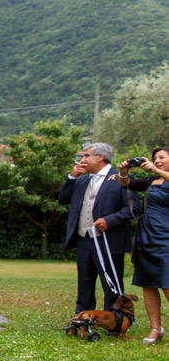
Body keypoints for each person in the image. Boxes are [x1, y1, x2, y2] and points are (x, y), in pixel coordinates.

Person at [59, 142, 139, 315]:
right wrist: (71, 177)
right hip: (83, 238)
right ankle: (84, 315)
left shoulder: (121, 178)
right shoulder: (81, 180)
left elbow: (133, 209)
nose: (83, 159)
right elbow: (63, 198)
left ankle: (114, 317)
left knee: (111, 280)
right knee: (85, 280)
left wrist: (109, 220)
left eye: (87, 155)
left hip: (110, 240)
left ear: (100, 157)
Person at [119, 148, 169, 343]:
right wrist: (123, 172)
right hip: (147, 235)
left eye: (162, 158)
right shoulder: (150, 181)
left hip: (166, 237)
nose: (157, 161)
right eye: (155, 158)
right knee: (148, 284)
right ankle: (156, 328)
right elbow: (127, 185)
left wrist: (156, 170)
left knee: (167, 283)